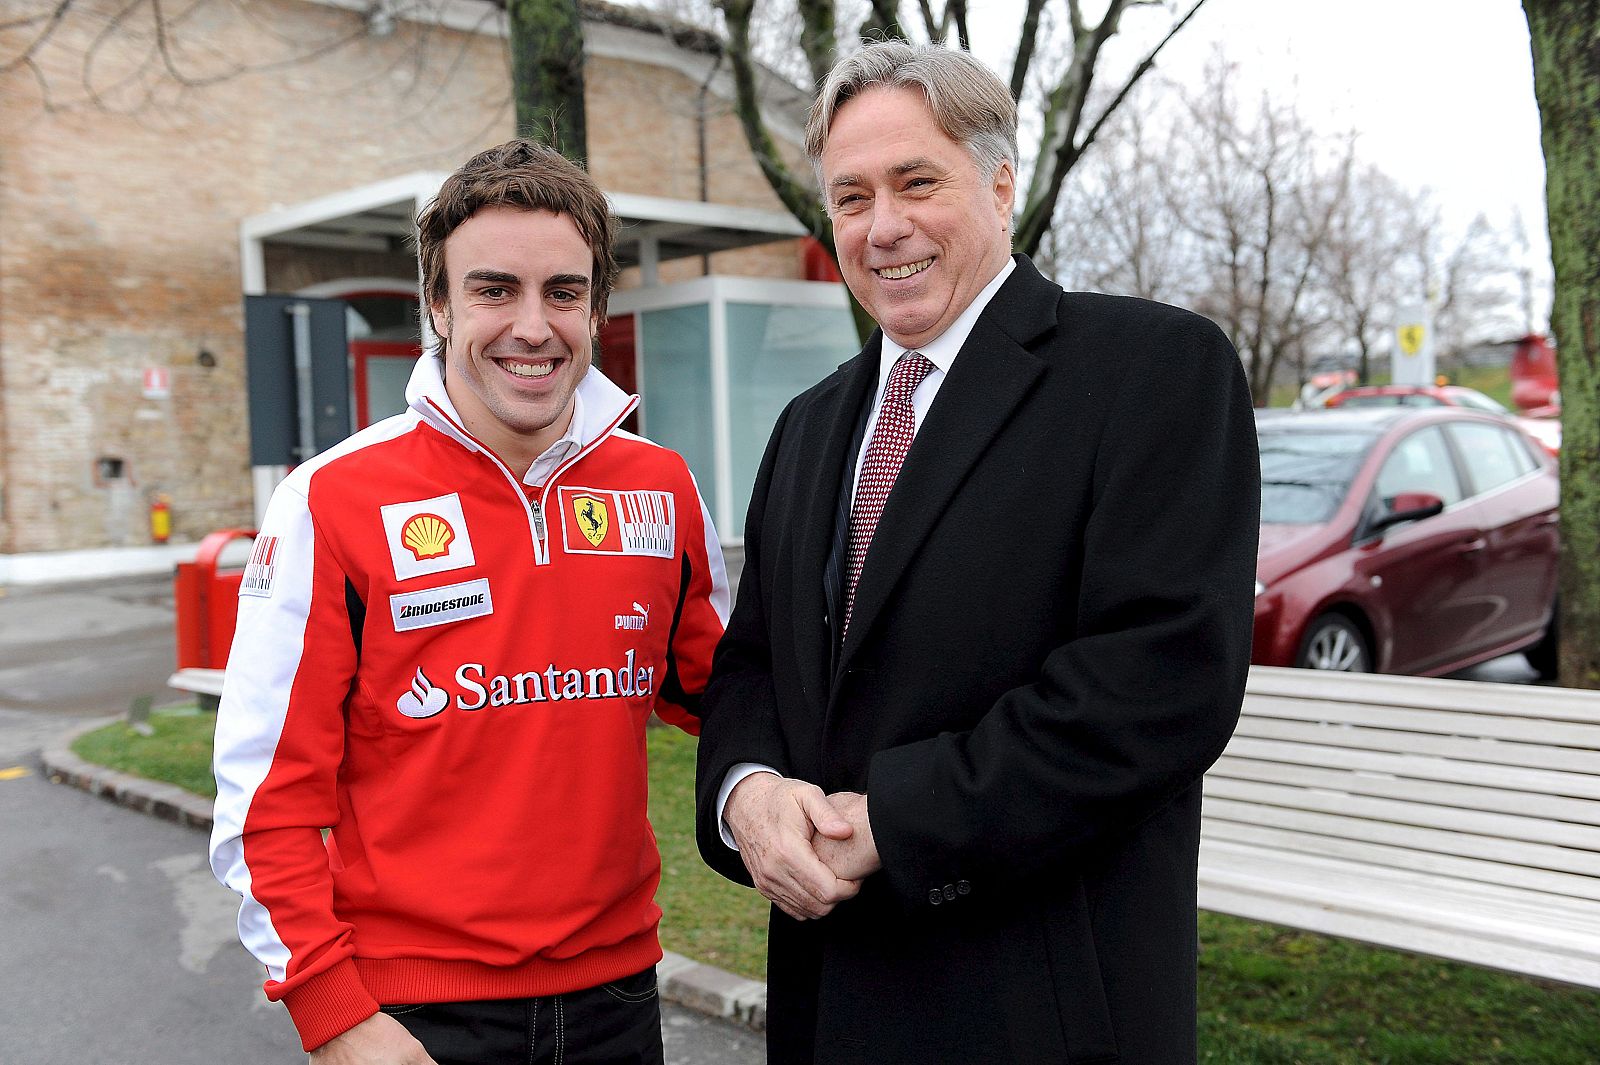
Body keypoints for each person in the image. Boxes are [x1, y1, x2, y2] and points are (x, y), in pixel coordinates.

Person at [694, 41, 1258, 1065]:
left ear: (1001, 185)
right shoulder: (809, 424)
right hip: (831, 1000)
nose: (885, 226)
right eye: (852, 197)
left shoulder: (1152, 371)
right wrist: (746, 794)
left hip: (1033, 1000)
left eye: (918, 182)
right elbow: (755, 664)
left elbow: (1159, 678)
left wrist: (898, 821)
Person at [210, 140, 729, 1064]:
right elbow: (265, 800)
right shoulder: (332, 500)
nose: (532, 326)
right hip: (412, 1016)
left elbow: (727, 697)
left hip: (619, 999)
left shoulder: (663, 487)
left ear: (595, 306)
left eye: (563, 292)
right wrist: (334, 1012)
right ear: (440, 305)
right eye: (494, 290)